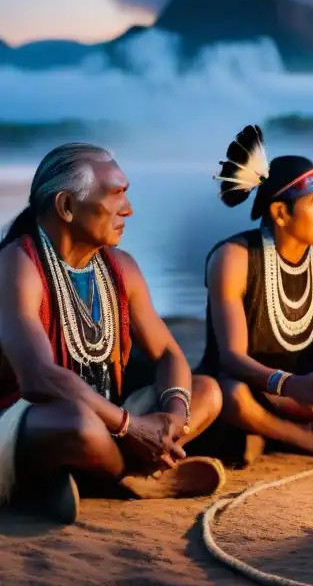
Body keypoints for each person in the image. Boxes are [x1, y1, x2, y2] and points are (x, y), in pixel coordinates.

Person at [0, 143, 225, 525]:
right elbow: (38, 378)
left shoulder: (122, 268)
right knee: (77, 424)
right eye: (116, 194)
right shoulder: (16, 265)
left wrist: (171, 418)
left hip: (109, 418)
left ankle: (91, 472)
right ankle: (134, 478)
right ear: (67, 207)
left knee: (205, 391)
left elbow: (169, 355)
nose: (129, 209)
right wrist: (132, 427)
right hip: (25, 420)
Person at [197, 125, 313, 464]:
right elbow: (231, 357)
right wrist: (289, 384)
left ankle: (271, 434)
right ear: (280, 213)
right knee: (232, 396)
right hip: (258, 389)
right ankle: (311, 442)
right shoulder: (233, 258)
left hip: (311, 389)